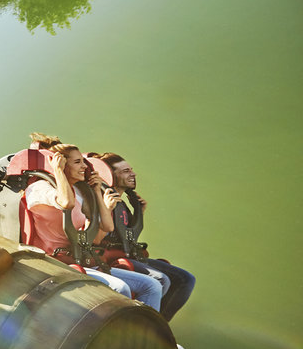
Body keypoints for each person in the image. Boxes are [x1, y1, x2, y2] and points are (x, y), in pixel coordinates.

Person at [25, 134, 163, 310]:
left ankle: (148, 331)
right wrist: (58, 171)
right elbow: (66, 203)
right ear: (59, 163)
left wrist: (97, 191)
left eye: (83, 161)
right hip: (55, 261)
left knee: (152, 286)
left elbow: (107, 226)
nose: (84, 166)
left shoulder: (79, 191)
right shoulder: (39, 188)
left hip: (80, 258)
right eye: (77, 162)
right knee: (120, 288)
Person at [96, 152, 196, 321]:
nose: (133, 174)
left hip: (124, 254)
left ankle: (159, 326)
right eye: (126, 171)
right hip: (105, 259)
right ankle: (148, 328)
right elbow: (96, 236)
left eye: (131, 169)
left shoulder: (123, 205)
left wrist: (138, 215)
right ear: (110, 175)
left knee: (185, 279)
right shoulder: (101, 201)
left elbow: (127, 240)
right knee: (161, 279)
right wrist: (107, 210)